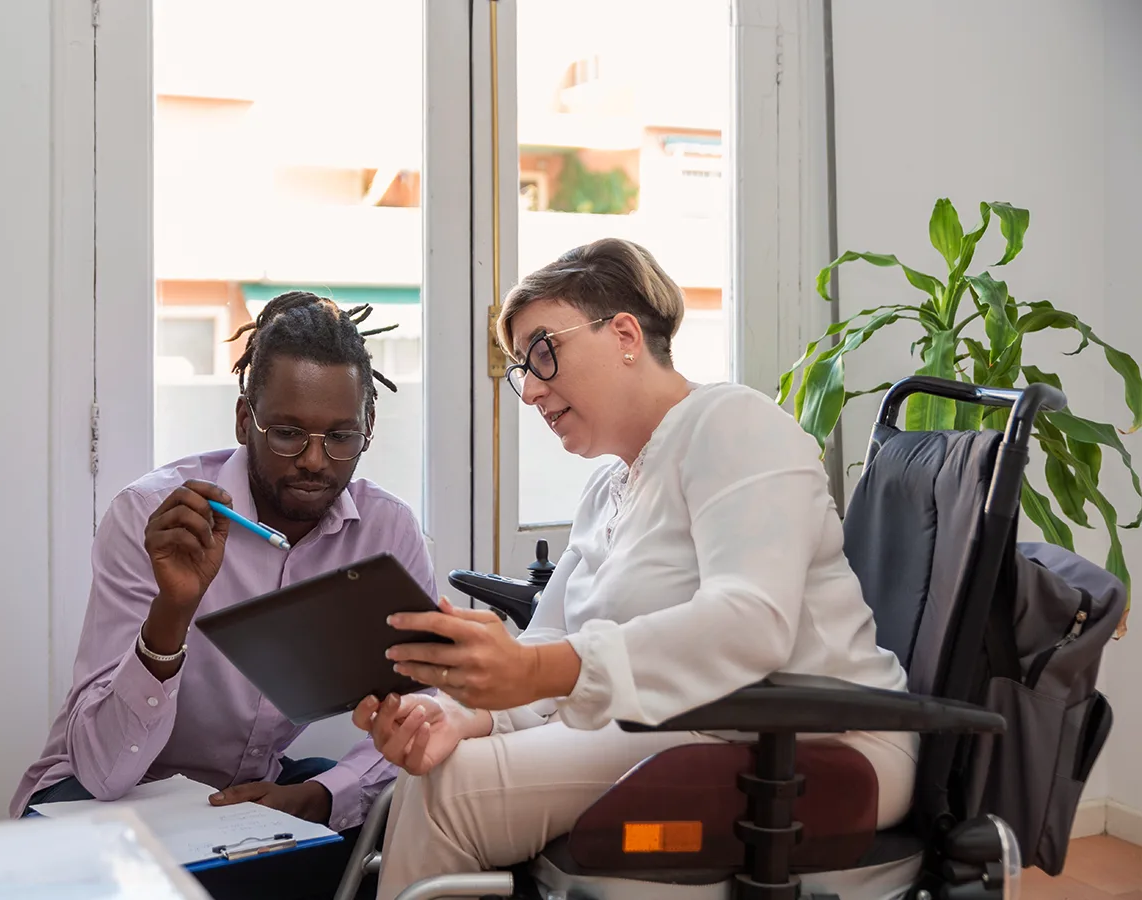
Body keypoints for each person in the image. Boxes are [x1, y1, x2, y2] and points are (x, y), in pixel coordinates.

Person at [352, 238, 921, 899]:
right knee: (441, 762)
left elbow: (749, 623)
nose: (531, 389)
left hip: (813, 747)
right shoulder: (607, 491)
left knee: (451, 791)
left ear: (624, 333)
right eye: (521, 369)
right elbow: (548, 638)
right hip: (687, 730)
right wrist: (465, 715)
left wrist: (533, 673)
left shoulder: (733, 425)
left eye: (542, 351)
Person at [11, 292, 436, 845]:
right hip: (99, 801)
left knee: (378, 817)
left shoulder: (386, 532)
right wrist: (174, 609)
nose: (314, 459)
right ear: (244, 420)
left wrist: (323, 795)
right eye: (287, 433)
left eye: (340, 436)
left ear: (368, 427)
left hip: (242, 805)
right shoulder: (155, 517)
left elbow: (428, 698)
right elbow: (102, 769)